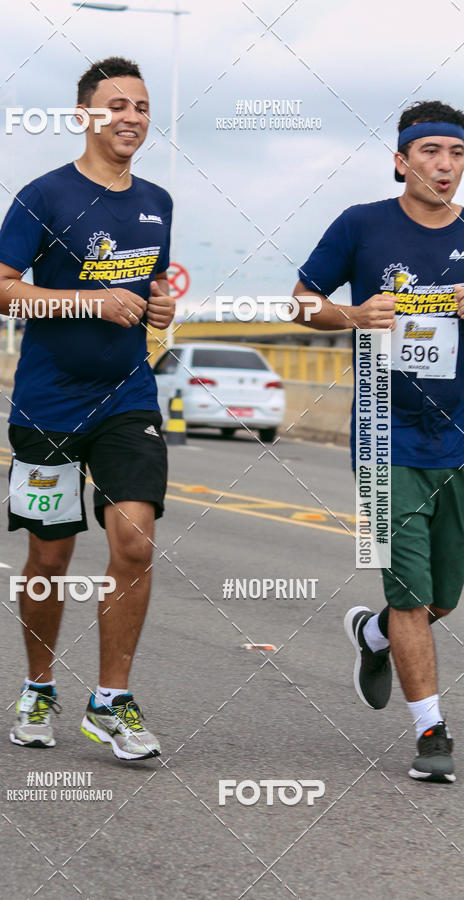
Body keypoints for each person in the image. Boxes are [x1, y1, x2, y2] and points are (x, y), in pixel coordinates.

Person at [0, 56, 175, 760]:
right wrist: (88, 299)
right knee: (50, 554)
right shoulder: (45, 197)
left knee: (135, 540)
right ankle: (39, 685)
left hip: (127, 397)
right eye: (117, 104)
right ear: (86, 115)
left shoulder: (159, 200)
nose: (131, 117)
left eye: (143, 107)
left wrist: (160, 306)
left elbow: (147, 298)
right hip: (48, 403)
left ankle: (111, 700)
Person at [292, 100, 464, 783]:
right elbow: (301, 301)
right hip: (386, 437)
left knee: (442, 597)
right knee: (412, 595)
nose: (445, 165)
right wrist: (353, 313)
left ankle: (373, 634)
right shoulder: (361, 226)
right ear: (402, 160)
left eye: (456, 154)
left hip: (457, 439)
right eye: (430, 152)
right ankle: (432, 734)